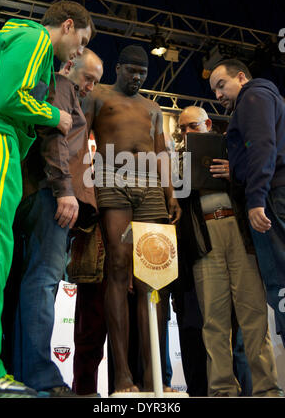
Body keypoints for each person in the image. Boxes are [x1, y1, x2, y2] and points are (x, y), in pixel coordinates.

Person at [0, 0, 94, 398]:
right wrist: (56, 116)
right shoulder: (35, 38)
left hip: (7, 147)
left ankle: (1, 366)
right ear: (67, 26)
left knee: (2, 267)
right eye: (81, 42)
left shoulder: (21, 42)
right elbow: (9, 99)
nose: (78, 53)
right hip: (0, 142)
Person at [83, 44, 181, 393]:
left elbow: (161, 152)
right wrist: (83, 186)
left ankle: (155, 375)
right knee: (118, 269)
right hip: (111, 177)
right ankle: (123, 375)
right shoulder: (97, 95)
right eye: (131, 71)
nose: (137, 77)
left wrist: (171, 193)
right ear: (118, 67)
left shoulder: (153, 108)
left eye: (142, 73)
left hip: (151, 186)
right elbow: (80, 138)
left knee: (153, 277)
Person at [10, 49, 103, 398]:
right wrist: (65, 191)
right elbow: (54, 138)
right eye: (88, 78)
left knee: (21, 283)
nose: (90, 87)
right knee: (43, 282)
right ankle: (41, 376)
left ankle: (16, 370)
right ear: (68, 66)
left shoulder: (40, 83)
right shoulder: (62, 85)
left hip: (27, 191)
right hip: (49, 195)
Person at [174, 105, 281, 397]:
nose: (186, 133)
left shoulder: (234, 148)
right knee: (213, 321)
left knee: (254, 318)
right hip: (204, 240)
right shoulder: (178, 160)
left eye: (192, 127)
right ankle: (222, 390)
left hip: (241, 236)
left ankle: (266, 389)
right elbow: (175, 202)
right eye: (182, 129)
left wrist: (235, 173)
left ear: (208, 123)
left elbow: (263, 179)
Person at [209, 59, 285, 349]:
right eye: (213, 90)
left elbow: (263, 146)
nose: (217, 95)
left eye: (221, 85)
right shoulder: (267, 98)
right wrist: (239, 169)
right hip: (274, 194)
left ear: (241, 77)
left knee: (280, 283)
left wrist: (255, 200)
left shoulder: (253, 96)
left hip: (270, 199)